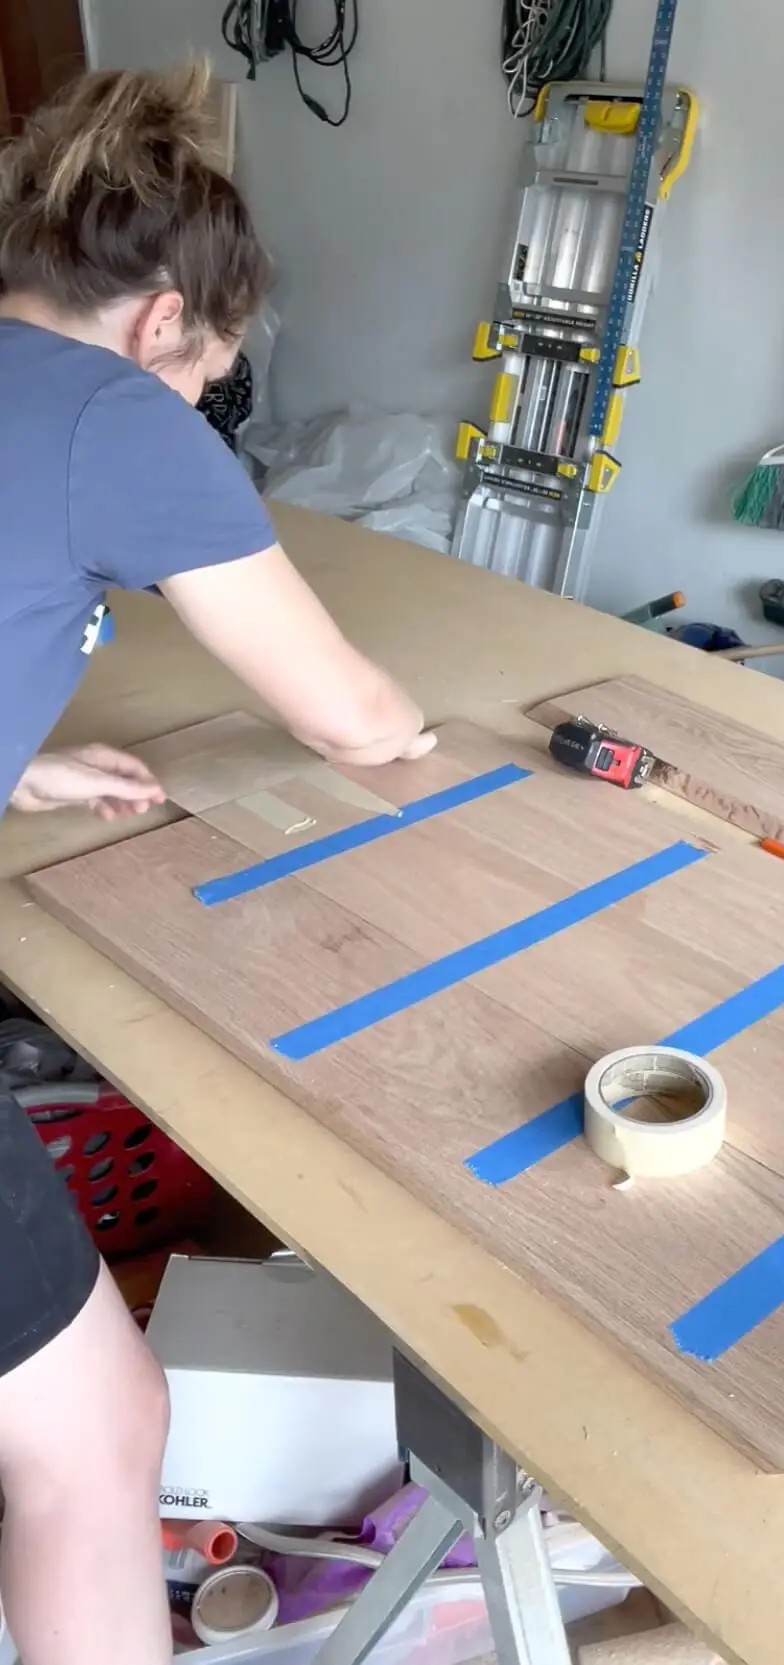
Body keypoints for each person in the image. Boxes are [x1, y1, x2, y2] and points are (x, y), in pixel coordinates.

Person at [0, 61, 436, 1665]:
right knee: (96, 1437)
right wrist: (403, 732)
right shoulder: (116, 411)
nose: (190, 421)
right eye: (205, 384)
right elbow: (345, 713)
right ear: (160, 321)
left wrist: (19, 753)